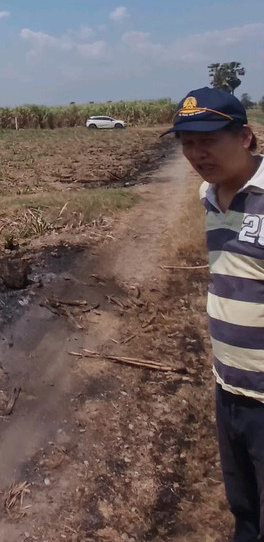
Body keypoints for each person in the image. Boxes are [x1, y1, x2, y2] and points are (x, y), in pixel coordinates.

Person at [169, 87, 264, 542]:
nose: (196, 154)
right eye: (187, 143)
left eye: (207, 140)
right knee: (243, 507)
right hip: (228, 386)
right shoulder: (209, 197)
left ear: (245, 137)